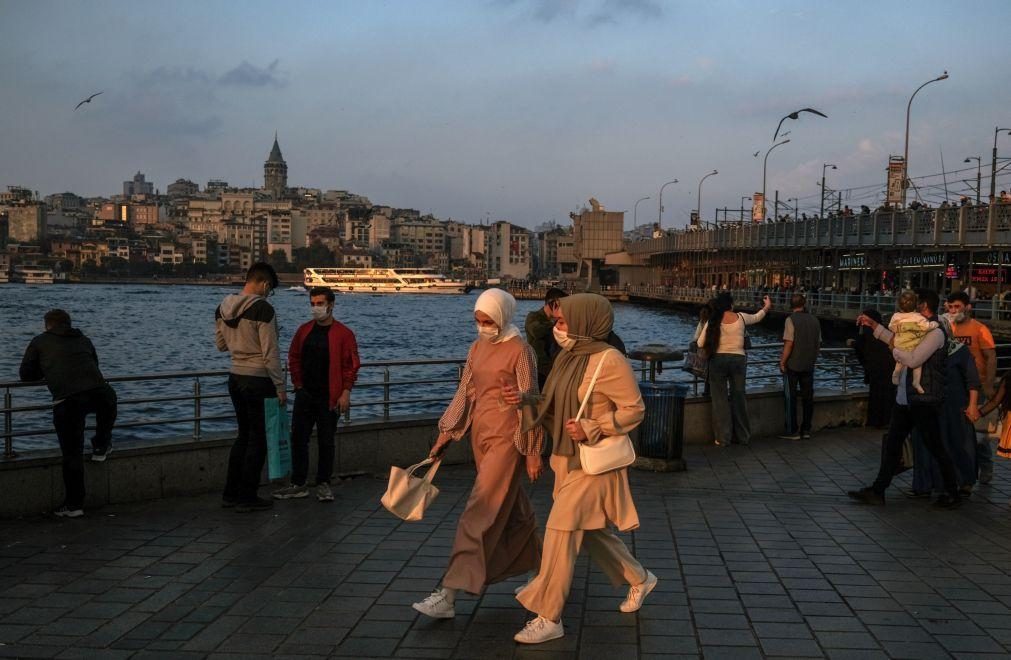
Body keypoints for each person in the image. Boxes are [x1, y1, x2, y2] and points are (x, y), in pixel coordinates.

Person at [506, 293, 653, 645]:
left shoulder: (610, 360)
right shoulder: (569, 357)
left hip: (594, 464)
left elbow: (634, 409)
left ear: (587, 322)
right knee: (586, 532)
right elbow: (556, 404)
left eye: (564, 322)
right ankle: (639, 578)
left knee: (559, 528)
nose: (558, 327)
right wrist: (527, 400)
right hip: (565, 459)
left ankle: (549, 614)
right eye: (557, 322)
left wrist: (593, 426)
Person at [413, 289, 544, 620]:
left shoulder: (521, 351)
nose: (482, 326)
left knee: (478, 510)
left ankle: (449, 592)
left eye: (488, 321)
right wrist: (447, 433)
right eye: (478, 320)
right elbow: (467, 391)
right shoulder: (477, 348)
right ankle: (541, 571)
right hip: (481, 435)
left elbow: (532, 401)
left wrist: (531, 450)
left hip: (507, 438)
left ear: (502, 316)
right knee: (512, 507)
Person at [849, 289, 963, 509]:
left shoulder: (935, 333)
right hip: (906, 398)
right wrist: (874, 326)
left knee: (935, 446)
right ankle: (878, 490)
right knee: (892, 443)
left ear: (922, 307)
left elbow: (912, 359)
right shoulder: (915, 330)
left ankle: (952, 492)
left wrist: (895, 351)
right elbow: (896, 340)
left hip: (923, 399)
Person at [19, 309, 118, 518]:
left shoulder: (39, 341)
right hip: (102, 393)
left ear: (47, 325)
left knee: (72, 453)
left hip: (68, 399)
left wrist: (47, 368)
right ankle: (101, 445)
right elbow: (94, 366)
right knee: (104, 413)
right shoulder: (84, 339)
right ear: (68, 323)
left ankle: (74, 505)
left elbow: (26, 375)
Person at [273, 286, 360, 503]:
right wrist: (298, 384)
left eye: (319, 303)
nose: (315, 308)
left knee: (326, 441)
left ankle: (323, 483)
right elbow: (293, 357)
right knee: (298, 439)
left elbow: (351, 366)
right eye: (312, 304)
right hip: (305, 394)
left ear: (331, 305)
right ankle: (299, 483)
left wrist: (345, 392)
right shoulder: (303, 331)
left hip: (330, 396)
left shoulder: (344, 334)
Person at [214, 262, 285, 513]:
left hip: (235, 377)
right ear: (264, 283)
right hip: (259, 379)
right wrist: (280, 386)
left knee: (243, 436)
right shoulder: (263, 309)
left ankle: (230, 494)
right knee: (259, 439)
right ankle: (247, 496)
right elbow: (270, 353)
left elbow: (221, 345)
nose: (269, 293)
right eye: (270, 289)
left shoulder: (222, 308)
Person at [909, 314, 980, 497]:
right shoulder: (923, 351)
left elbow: (972, 380)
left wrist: (972, 405)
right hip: (931, 404)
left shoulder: (960, 351)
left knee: (957, 444)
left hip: (954, 407)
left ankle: (961, 481)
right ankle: (928, 484)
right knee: (930, 446)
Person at [697, 292, 772, 446]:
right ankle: (743, 436)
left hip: (718, 360)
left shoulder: (713, 320)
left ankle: (723, 438)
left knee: (720, 400)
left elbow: (699, 343)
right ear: (731, 305)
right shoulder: (742, 317)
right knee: (739, 397)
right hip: (738, 360)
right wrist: (767, 306)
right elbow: (758, 317)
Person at [945, 291, 997, 484]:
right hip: (956, 388)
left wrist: (989, 384)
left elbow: (991, 357)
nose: (953, 310)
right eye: (950, 307)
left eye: (957, 306)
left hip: (978, 386)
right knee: (959, 432)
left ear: (968, 307)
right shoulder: (947, 327)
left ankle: (986, 466)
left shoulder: (979, 329)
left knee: (978, 435)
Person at [779, 294, 821, 440]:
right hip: (809, 364)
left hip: (793, 364)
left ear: (791, 305)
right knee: (808, 398)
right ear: (804, 304)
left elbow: (789, 343)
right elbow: (818, 343)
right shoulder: (815, 320)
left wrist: (782, 362)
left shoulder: (790, 320)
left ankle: (792, 430)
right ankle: (806, 429)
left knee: (790, 397)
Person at [851, 308, 895, 428]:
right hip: (889, 369)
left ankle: (876, 420)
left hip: (875, 369)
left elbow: (860, 348)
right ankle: (886, 420)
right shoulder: (884, 333)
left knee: (876, 395)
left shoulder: (865, 335)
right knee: (887, 396)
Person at [887, 290, 938, 394]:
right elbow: (927, 327)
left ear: (900, 306)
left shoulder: (896, 316)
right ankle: (916, 382)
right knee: (918, 364)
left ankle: (896, 374)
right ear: (916, 306)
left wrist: (901, 328)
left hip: (899, 345)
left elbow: (890, 327)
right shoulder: (918, 317)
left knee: (899, 362)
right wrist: (935, 324)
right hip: (912, 346)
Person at [525, 287, 567, 389]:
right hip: (538, 368)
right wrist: (554, 323)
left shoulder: (558, 321)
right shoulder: (533, 317)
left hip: (554, 366)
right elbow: (536, 331)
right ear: (552, 304)